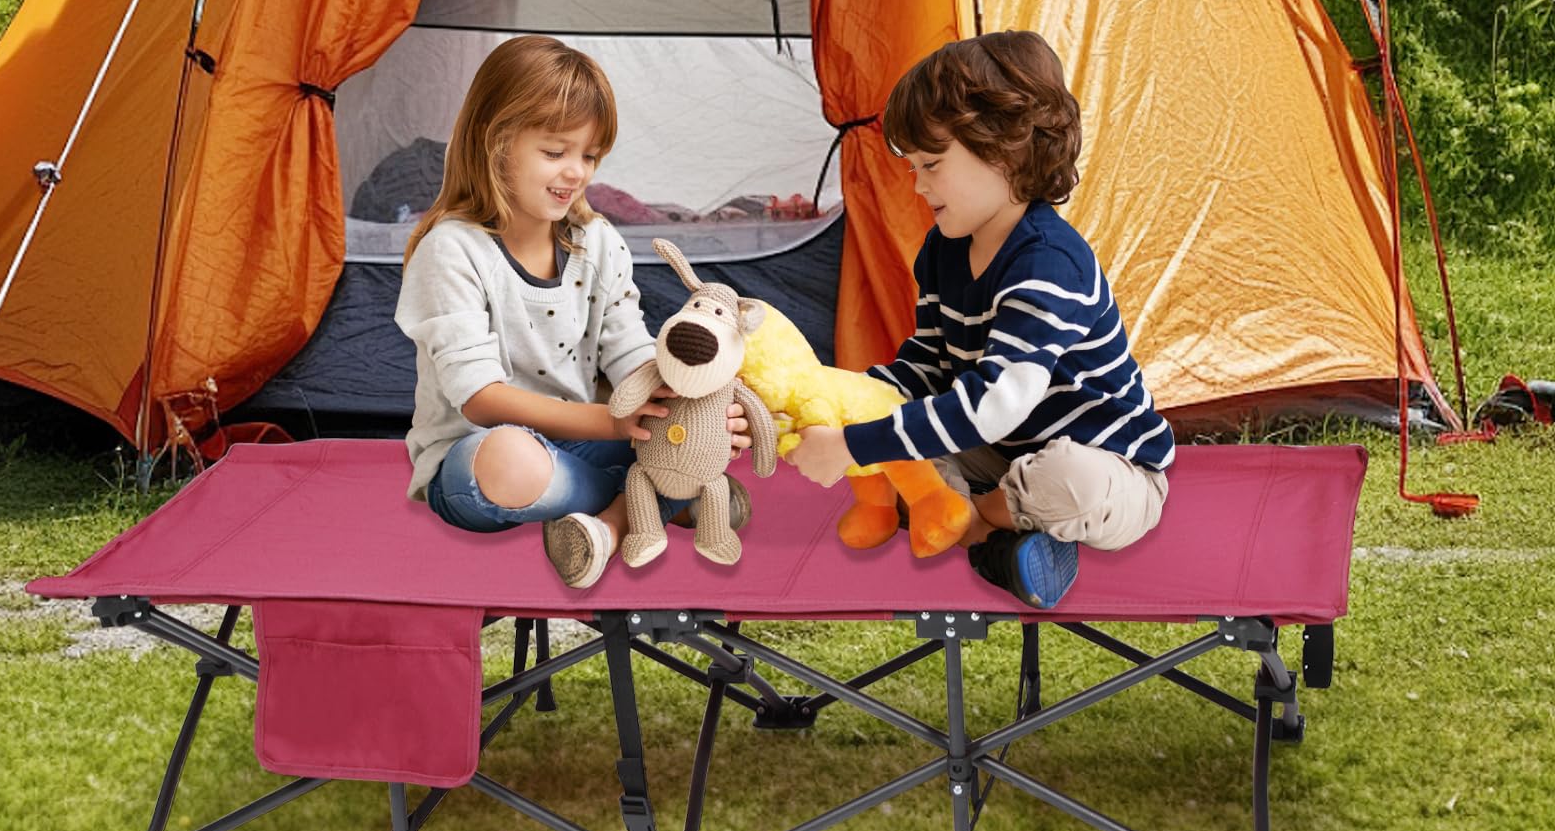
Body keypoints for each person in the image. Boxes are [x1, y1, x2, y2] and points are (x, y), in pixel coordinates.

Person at [786, 31, 1173, 610]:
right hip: (1000, 454)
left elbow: (997, 402)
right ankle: (995, 537)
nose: (917, 185)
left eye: (932, 165)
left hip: (1110, 464)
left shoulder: (1049, 262)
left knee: (1070, 479)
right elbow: (928, 365)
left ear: (1003, 151)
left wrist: (854, 445)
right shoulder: (943, 251)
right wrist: (841, 399)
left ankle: (971, 526)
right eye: (913, 166)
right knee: (904, 443)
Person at [397, 35, 750, 588]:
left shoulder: (598, 241)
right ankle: (653, 501)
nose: (576, 173)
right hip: (477, 458)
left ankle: (606, 530)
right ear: (496, 143)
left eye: (589, 156)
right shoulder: (451, 250)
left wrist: (689, 406)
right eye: (555, 152)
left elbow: (631, 351)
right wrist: (617, 422)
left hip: (589, 442)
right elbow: (481, 397)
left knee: (681, 433)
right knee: (513, 461)